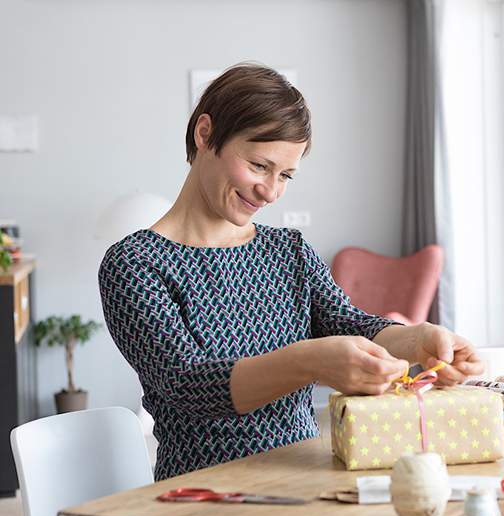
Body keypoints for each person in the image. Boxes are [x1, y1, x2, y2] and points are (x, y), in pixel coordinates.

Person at [98, 63, 484, 480]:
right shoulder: (134, 264)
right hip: (202, 495)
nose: (270, 191)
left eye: (286, 176)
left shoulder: (288, 250)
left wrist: (417, 340)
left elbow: (349, 323)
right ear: (205, 134)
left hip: (308, 479)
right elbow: (191, 387)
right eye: (260, 166)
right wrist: (311, 361)